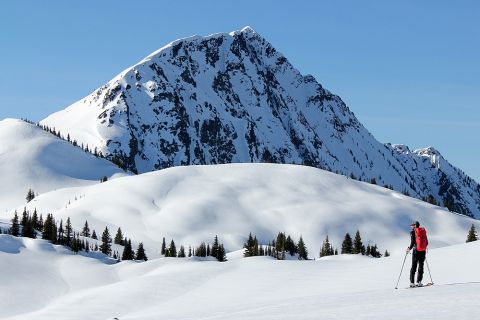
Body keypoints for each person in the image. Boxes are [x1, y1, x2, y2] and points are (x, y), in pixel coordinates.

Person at [406, 221, 428, 287]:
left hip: (416, 251)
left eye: (412, 225)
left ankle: (412, 283)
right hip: (423, 251)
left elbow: (412, 242)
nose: (411, 226)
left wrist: (409, 248)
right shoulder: (423, 231)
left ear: (414, 226)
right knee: (421, 266)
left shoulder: (413, 232)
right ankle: (419, 282)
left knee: (414, 266)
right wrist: (422, 247)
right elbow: (427, 242)